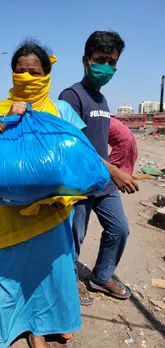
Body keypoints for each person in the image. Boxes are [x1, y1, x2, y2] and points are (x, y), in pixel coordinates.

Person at [0, 40, 91, 348]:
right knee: (10, 274)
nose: (26, 77)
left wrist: (109, 174)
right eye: (19, 71)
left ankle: (46, 326)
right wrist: (5, 122)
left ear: (47, 75)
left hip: (52, 212)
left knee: (50, 272)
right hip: (7, 215)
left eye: (33, 72)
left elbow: (80, 154)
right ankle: (19, 326)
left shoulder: (60, 110)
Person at [59, 31, 139, 305]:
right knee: (74, 236)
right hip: (79, 183)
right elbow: (75, 146)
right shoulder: (71, 96)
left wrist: (114, 171)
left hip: (103, 182)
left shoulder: (103, 100)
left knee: (119, 229)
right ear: (86, 60)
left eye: (112, 62)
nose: (106, 67)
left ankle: (101, 276)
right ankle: (68, 279)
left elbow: (100, 140)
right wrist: (115, 171)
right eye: (100, 59)